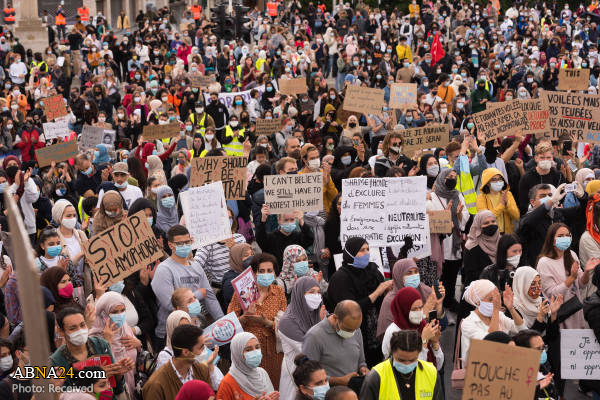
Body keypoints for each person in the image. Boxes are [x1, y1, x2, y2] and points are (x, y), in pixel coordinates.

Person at [152, 225, 223, 348]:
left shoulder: (196, 266)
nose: (184, 246)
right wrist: (199, 294)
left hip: (195, 328)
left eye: (187, 242)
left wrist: (222, 321)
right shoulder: (164, 269)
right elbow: (171, 304)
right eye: (180, 243)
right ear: (170, 245)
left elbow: (210, 297)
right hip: (171, 334)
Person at [327, 237, 391, 367]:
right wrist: (377, 292)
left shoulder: (373, 271)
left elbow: (382, 298)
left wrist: (387, 291)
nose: (366, 253)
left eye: (367, 249)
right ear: (350, 253)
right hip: (354, 336)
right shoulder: (341, 278)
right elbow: (350, 310)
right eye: (362, 250)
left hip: (376, 336)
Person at [228, 252, 287, 388]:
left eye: (269, 271)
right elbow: (230, 324)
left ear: (275, 273)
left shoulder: (278, 292)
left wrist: (267, 323)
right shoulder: (242, 293)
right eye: (261, 271)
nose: (265, 274)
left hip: (273, 349)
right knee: (253, 387)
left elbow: (284, 324)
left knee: (274, 386)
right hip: (250, 350)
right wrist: (246, 316)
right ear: (254, 273)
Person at [50, 307, 134, 395]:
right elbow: (65, 396)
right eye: (72, 328)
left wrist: (119, 373)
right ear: (61, 332)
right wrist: (95, 379)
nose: (80, 331)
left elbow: (117, 389)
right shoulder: (56, 362)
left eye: (82, 325)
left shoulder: (101, 345)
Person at [537, 223, 598, 329]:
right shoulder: (544, 263)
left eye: (567, 235)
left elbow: (582, 285)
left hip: (576, 312)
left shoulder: (572, 255)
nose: (565, 238)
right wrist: (571, 279)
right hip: (559, 315)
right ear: (551, 239)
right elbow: (552, 294)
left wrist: (587, 272)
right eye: (560, 236)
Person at [302, 300, 367, 393]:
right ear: (335, 317)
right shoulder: (314, 336)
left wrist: (363, 368)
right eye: (348, 329)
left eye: (355, 329)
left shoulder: (355, 329)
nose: (351, 333)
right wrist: (339, 381)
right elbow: (308, 374)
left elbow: (361, 361)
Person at [360, 330, 442, 400]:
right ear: (392, 352)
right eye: (401, 360)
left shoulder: (431, 373)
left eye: (412, 360)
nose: (407, 364)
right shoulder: (376, 377)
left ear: (419, 353)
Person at [278, 276, 325, 398]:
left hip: (318, 373)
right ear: (299, 294)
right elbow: (308, 349)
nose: (316, 296)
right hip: (296, 373)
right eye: (311, 292)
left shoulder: (316, 312)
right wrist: (321, 324)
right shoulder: (287, 322)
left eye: (318, 292)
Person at [377, 258, 445, 342]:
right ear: (399, 276)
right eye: (409, 273)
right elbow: (392, 337)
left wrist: (439, 302)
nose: (413, 276)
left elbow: (440, 319)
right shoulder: (390, 300)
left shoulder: (425, 290)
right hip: (405, 347)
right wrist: (425, 310)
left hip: (428, 343)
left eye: (416, 272)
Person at [142, 324, 215, 399]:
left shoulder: (202, 370)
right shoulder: (155, 385)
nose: (204, 351)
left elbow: (210, 395)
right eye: (200, 348)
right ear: (186, 352)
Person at [89, 291, 140, 395]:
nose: (120, 315)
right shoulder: (94, 339)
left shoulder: (124, 327)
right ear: (104, 313)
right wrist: (107, 341)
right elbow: (102, 370)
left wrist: (138, 344)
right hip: (112, 392)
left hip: (131, 388)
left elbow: (137, 351)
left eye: (122, 310)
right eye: (114, 312)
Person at [460, 279, 526, 361]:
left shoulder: (499, 316)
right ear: (478, 302)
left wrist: (511, 308)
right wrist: (495, 310)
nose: (496, 302)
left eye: (497, 298)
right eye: (491, 299)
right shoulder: (468, 323)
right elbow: (491, 344)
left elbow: (523, 331)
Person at [380, 287, 444, 370]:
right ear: (404, 310)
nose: (418, 312)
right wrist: (424, 340)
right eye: (414, 309)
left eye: (420, 307)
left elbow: (438, 366)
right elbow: (414, 369)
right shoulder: (394, 332)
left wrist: (435, 343)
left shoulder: (422, 326)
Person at [217, 332, 278, 400]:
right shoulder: (227, 383)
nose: (255, 352)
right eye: (248, 350)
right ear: (237, 354)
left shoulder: (262, 373)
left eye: (257, 347)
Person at [462, 210, 501, 288]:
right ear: (478, 225)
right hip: (477, 290)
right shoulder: (472, 246)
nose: (491, 225)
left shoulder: (501, 241)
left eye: (493, 221)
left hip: (498, 289)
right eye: (486, 223)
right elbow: (471, 274)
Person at [476, 167, 520, 233]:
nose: (498, 182)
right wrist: (502, 205)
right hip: (490, 235)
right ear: (487, 183)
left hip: (506, 235)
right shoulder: (481, 198)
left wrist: (507, 203)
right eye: (494, 180)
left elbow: (516, 216)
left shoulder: (508, 194)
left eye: (500, 179)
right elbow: (485, 219)